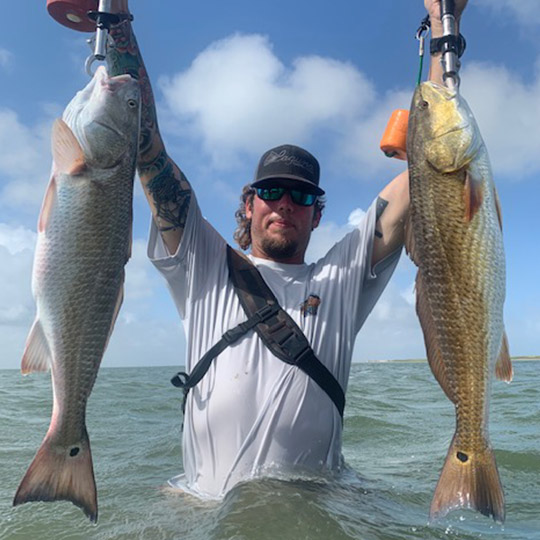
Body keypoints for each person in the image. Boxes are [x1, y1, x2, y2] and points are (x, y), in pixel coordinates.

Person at [106, 0, 468, 498]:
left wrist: (445, 28)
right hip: (204, 514)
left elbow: (433, 165)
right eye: (271, 192)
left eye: (301, 196)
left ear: (317, 213)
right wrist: (118, 24)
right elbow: (148, 152)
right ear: (249, 203)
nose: (285, 204)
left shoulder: (341, 280)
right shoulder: (203, 265)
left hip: (319, 512)